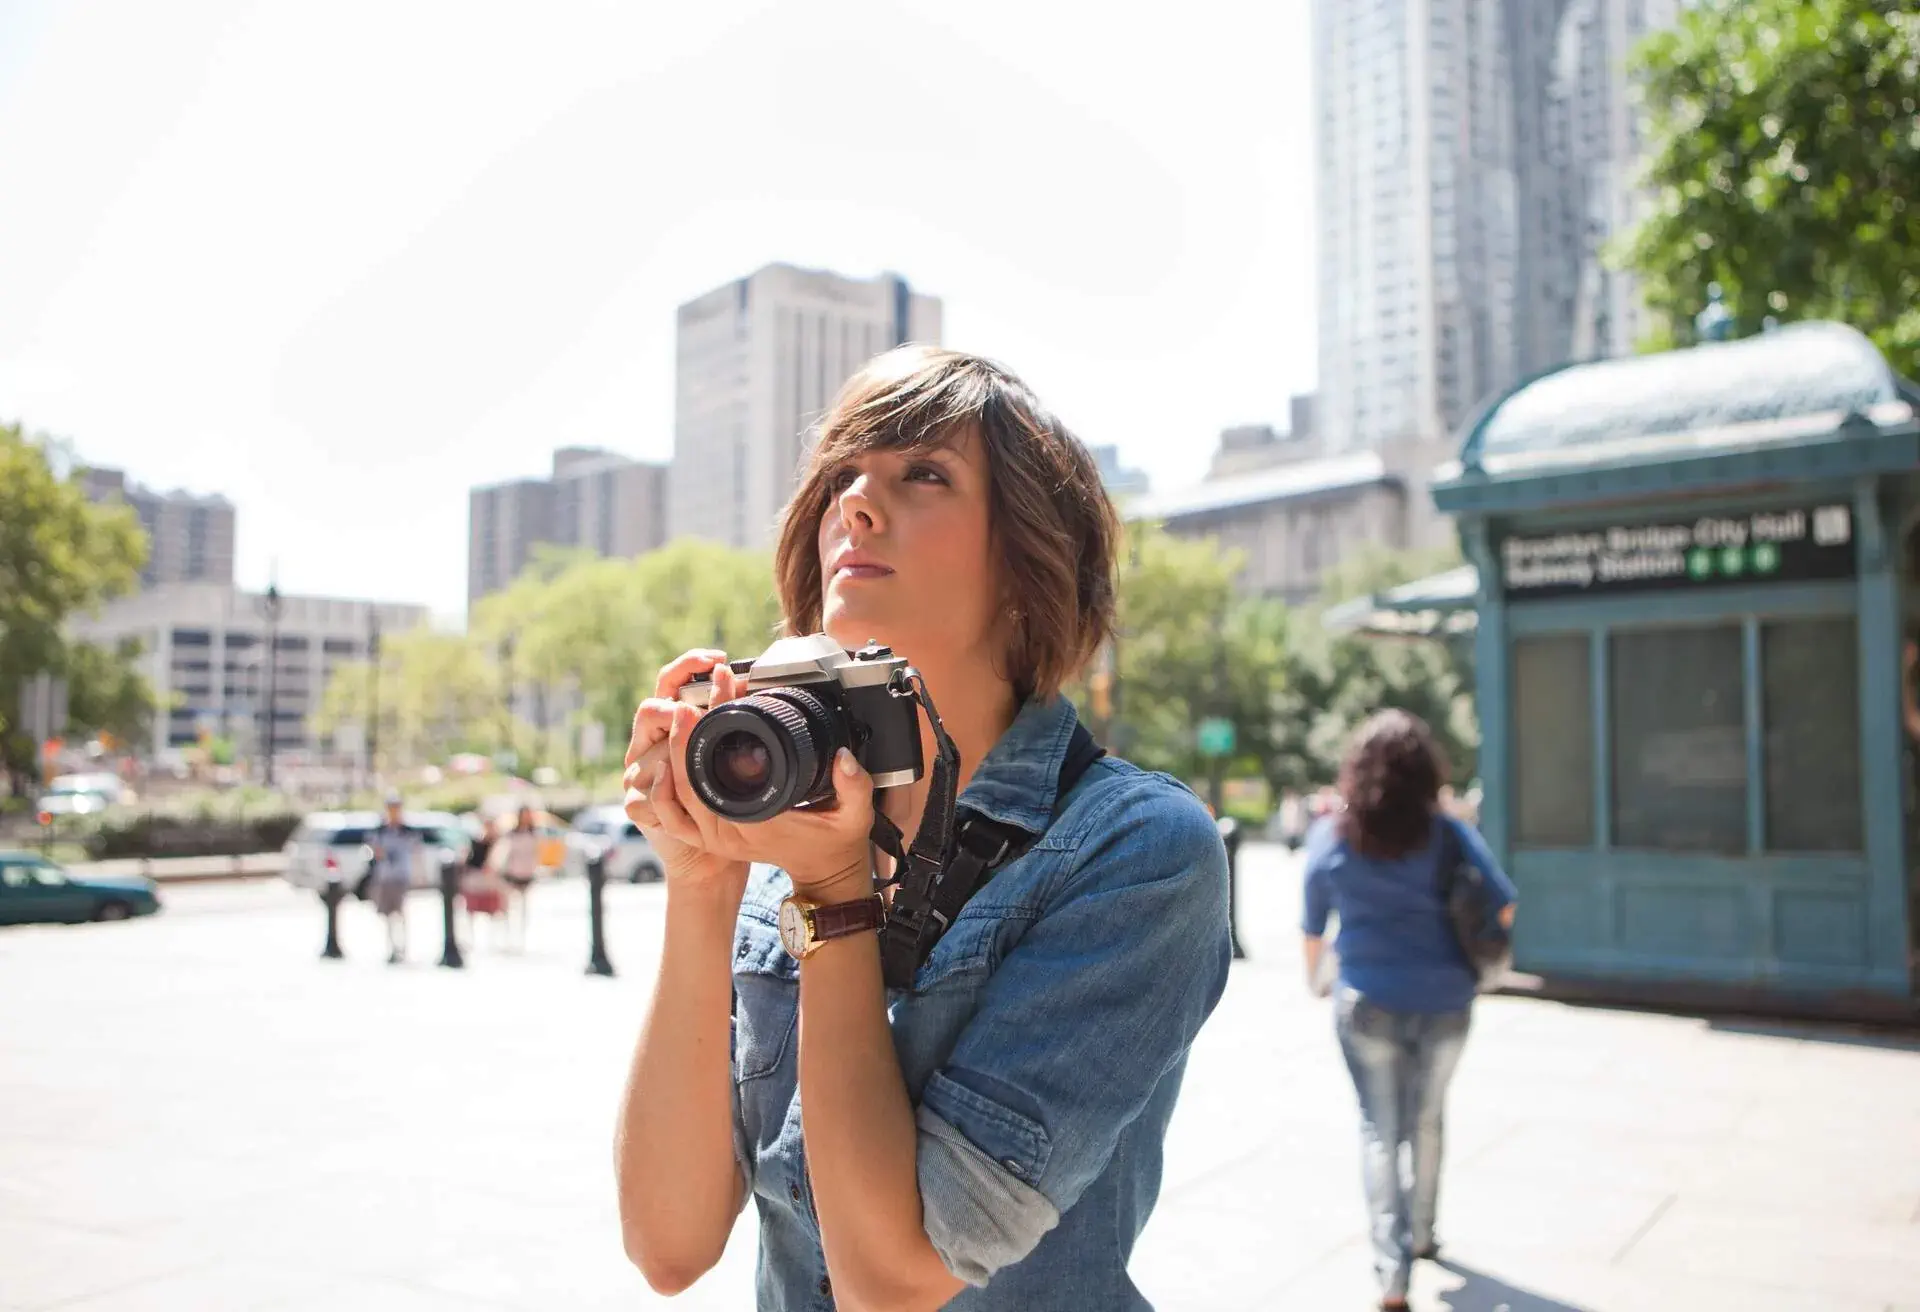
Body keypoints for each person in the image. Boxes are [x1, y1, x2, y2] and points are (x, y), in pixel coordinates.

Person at [613, 345, 1232, 1309]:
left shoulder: (1137, 849)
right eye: (842, 476)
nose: (856, 505)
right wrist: (702, 880)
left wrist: (834, 897)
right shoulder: (798, 827)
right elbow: (669, 1246)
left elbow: (893, 1284)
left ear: (1028, 560)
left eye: (924, 474)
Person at [1301, 710, 1518, 1311]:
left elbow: (1313, 927)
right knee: (1426, 1120)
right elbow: (1502, 905)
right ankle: (1423, 1234)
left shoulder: (1333, 835)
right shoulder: (1448, 835)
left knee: (1379, 1130)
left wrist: (1315, 981)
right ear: (1427, 771)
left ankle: (1391, 1275)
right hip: (1447, 1002)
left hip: (1366, 1002)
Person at [367, 792, 424, 965]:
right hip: (385, 876)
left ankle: (403, 947)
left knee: (401, 912)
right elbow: (373, 850)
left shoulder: (407, 832)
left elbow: (416, 852)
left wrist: (419, 875)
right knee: (387, 914)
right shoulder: (380, 832)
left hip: (401, 875)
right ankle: (391, 947)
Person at [487, 806, 541, 952]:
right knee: (508, 907)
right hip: (511, 874)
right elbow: (501, 852)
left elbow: (537, 854)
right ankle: (508, 936)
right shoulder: (511, 835)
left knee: (524, 907)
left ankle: (521, 938)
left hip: (527, 874)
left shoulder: (534, 834)